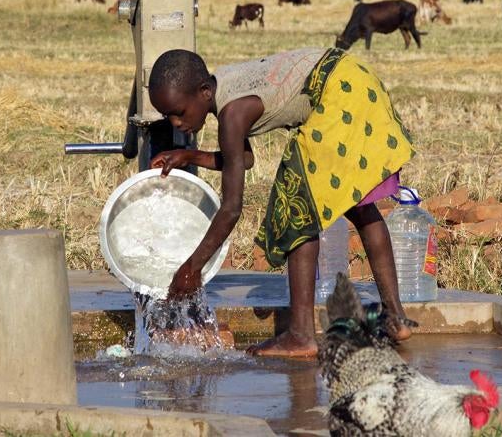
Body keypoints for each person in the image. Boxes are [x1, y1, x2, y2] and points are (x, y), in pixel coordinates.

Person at [147, 47, 417, 357]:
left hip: (339, 91)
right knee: (359, 205)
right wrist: (189, 156)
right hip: (354, 79)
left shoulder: (232, 114)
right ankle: (395, 318)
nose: (176, 123)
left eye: (179, 112)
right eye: (168, 116)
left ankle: (301, 335)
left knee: (296, 205)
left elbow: (231, 208)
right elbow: (243, 159)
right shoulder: (225, 91)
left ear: (204, 92)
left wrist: (192, 268)